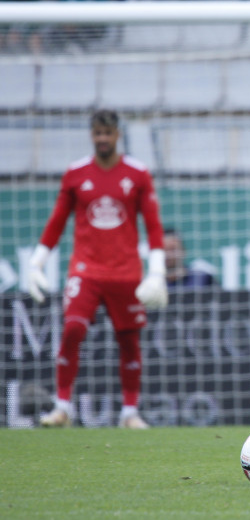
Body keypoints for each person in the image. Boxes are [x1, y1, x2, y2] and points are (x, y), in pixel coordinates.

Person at [28, 110, 168, 429]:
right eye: (97, 133)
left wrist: (157, 271)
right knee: (73, 330)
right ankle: (62, 407)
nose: (102, 139)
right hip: (86, 270)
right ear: (91, 135)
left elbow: (153, 224)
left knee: (129, 341)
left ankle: (129, 413)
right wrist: (37, 263)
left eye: (107, 133)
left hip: (125, 272)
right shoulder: (76, 173)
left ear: (118, 135)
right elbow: (57, 221)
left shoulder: (138, 173)